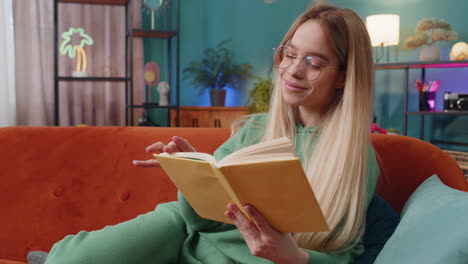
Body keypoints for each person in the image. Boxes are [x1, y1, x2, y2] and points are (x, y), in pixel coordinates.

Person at [45, 2, 382, 264]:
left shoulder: (353, 158)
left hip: (248, 257)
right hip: (182, 231)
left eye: (314, 62)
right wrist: (193, 173)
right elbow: (201, 221)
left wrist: (293, 257)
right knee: (68, 258)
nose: (293, 70)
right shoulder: (256, 129)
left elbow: (346, 254)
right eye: (290, 54)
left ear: (343, 77)